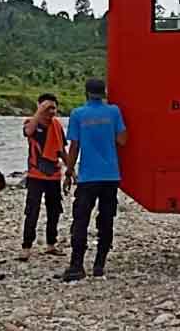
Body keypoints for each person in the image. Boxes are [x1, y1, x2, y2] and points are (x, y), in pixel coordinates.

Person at [60, 78, 127, 281]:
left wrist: (69, 171)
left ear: (87, 93)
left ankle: (77, 266)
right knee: (106, 220)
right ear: (104, 93)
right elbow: (123, 140)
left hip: (88, 177)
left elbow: (74, 147)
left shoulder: (78, 114)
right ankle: (99, 266)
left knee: (81, 220)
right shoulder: (113, 112)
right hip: (110, 175)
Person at [19, 93, 68, 261]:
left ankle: (51, 244)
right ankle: (26, 246)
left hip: (54, 175)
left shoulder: (57, 126)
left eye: (53, 108)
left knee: (54, 210)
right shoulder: (31, 122)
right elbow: (28, 132)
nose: (51, 112)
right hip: (35, 175)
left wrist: (71, 171)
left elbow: (62, 150)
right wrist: (39, 111)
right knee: (32, 211)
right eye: (48, 108)